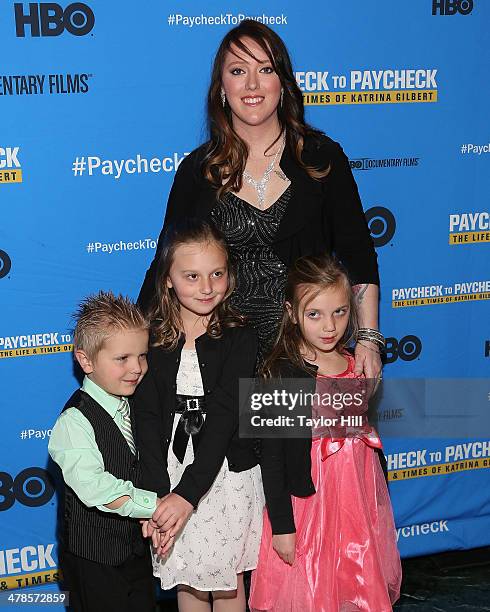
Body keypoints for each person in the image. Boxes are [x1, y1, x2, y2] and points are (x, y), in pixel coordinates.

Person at [138, 19, 382, 375]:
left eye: (265, 69)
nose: (252, 84)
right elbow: (165, 266)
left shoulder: (322, 159)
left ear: (282, 83)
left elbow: (358, 254)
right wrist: (129, 349)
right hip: (219, 362)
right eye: (238, 70)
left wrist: (369, 340)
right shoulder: (196, 171)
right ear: (222, 87)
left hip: (304, 357)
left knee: (291, 432)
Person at [248, 255, 401, 612]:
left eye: (340, 312)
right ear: (292, 312)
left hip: (356, 505)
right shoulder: (283, 372)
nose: (329, 326)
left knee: (356, 583)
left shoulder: (355, 363)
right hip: (309, 507)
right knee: (311, 589)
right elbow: (271, 458)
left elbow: (367, 441)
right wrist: (282, 526)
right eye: (315, 314)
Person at [134, 218, 264, 612]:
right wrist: (159, 498)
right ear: (168, 279)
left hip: (226, 473)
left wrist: (186, 497)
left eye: (217, 274)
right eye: (191, 276)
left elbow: (225, 417)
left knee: (228, 580)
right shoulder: (151, 336)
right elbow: (147, 417)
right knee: (186, 576)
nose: (207, 287)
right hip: (171, 471)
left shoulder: (241, 336)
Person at [48, 291, 162, 612]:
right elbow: (95, 488)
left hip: (135, 553)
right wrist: (153, 506)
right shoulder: (75, 421)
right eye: (122, 359)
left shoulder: (136, 405)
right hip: (92, 560)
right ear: (86, 361)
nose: (137, 368)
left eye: (141, 356)